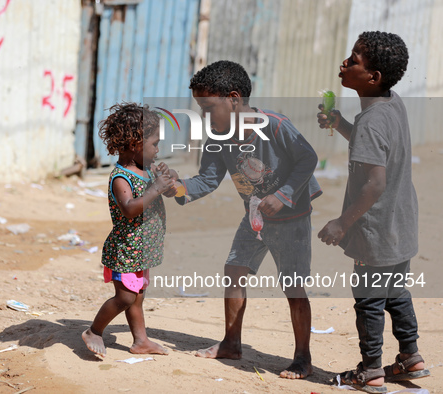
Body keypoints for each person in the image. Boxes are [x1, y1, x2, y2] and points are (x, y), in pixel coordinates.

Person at [176, 60, 322, 379]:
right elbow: (208, 179)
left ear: (233, 99)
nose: (204, 115)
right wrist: (178, 187)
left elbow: (308, 157)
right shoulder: (217, 133)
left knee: (293, 287)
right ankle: (231, 343)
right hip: (254, 216)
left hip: (292, 217)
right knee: (234, 269)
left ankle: (302, 358)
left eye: (208, 107)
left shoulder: (274, 124)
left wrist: (283, 195)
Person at [317, 31, 430, 393]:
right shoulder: (391, 103)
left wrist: (340, 223)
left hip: (375, 228)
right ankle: (411, 358)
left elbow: (374, 183)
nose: (344, 64)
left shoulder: (371, 121)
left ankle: (371, 370)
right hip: (401, 223)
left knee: (368, 299)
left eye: (353, 60)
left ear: (373, 77)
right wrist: (339, 124)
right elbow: (374, 147)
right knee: (396, 292)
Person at [82, 102, 176, 358]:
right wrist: (155, 188)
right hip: (125, 249)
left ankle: (140, 341)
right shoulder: (121, 177)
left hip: (141, 249)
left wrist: (168, 180)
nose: (158, 149)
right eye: (154, 143)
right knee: (124, 298)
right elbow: (130, 209)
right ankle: (94, 331)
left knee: (138, 296)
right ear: (135, 143)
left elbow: (169, 188)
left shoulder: (148, 170)